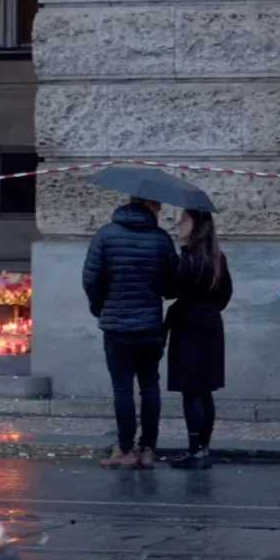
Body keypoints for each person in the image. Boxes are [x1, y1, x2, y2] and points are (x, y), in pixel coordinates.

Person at [82, 196, 180, 469]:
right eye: (159, 205)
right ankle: (148, 449)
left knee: (123, 390)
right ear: (149, 205)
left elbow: (91, 278)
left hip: (116, 326)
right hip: (150, 325)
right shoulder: (161, 239)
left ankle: (125, 449)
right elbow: (172, 287)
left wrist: (101, 307)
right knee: (150, 387)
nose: (162, 209)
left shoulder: (105, 235)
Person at [165, 209, 233, 470]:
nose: (177, 224)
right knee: (205, 390)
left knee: (191, 390)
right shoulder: (217, 257)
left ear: (196, 224)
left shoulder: (191, 257)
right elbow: (226, 293)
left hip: (189, 325)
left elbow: (171, 289)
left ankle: (195, 450)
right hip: (211, 324)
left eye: (183, 219)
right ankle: (203, 448)